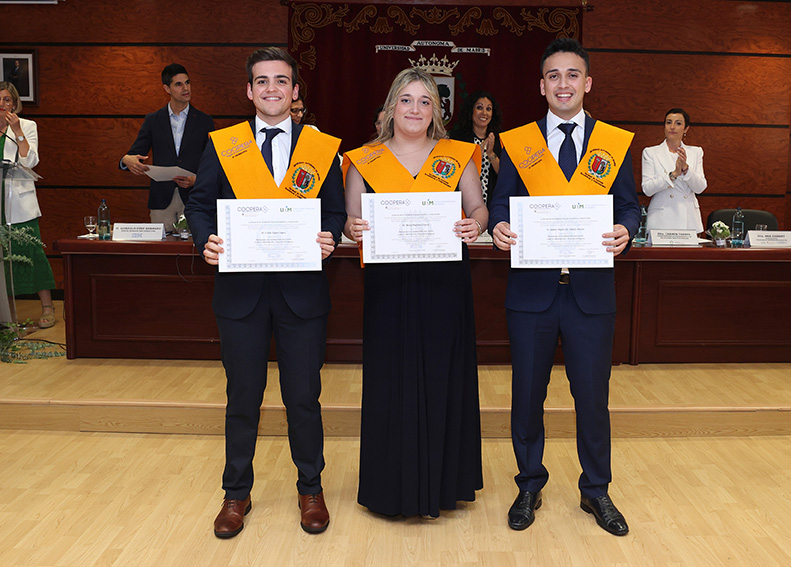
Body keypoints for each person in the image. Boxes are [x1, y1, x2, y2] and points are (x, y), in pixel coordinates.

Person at [184, 47, 346, 538]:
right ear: (249, 91)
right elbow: (199, 204)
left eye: (281, 81)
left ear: (295, 91)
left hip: (302, 294)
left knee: (304, 397)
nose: (271, 88)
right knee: (242, 398)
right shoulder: (224, 144)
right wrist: (205, 240)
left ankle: (310, 489)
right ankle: (236, 493)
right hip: (241, 294)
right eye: (262, 81)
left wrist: (330, 236)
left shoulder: (319, 147)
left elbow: (335, 211)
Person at [488, 38, 640, 535]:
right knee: (527, 395)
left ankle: (596, 490)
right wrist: (498, 225)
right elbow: (500, 202)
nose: (563, 84)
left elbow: (629, 205)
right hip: (531, 294)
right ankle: (529, 483)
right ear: (541, 85)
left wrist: (626, 229)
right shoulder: (519, 142)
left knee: (592, 397)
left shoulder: (612, 143)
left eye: (572, 74)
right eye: (553, 75)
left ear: (587, 82)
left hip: (590, 294)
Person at [343, 67, 487, 518]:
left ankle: (445, 484)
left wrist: (475, 225)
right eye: (406, 99)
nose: (415, 109)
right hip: (388, 286)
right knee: (391, 379)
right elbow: (350, 221)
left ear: (436, 111)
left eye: (425, 101)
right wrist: (352, 228)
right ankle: (391, 487)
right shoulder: (363, 159)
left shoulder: (457, 155)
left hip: (445, 284)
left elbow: (478, 208)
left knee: (444, 375)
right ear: (391, 107)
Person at [121, 63, 215, 228]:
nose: (185, 88)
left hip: (194, 198)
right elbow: (135, 154)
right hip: (161, 200)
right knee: (162, 244)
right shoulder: (153, 120)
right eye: (178, 84)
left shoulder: (204, 121)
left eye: (187, 82)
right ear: (167, 88)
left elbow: (212, 161)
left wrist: (197, 180)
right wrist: (126, 160)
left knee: (194, 243)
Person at [1, 82, 56, 328]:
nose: (2, 104)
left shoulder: (27, 125)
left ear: (14, 103)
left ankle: (47, 306)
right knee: (2, 260)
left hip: (19, 203)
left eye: (6, 100)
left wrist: (17, 131)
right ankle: (6, 314)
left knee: (32, 254)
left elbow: (30, 161)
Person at [641, 108, 707, 232]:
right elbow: (647, 189)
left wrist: (686, 169)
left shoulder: (695, 152)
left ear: (686, 129)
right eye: (668, 122)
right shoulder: (651, 152)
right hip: (661, 220)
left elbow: (700, 188)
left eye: (678, 123)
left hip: (689, 220)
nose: (672, 127)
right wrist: (673, 175)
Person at [450, 91, 502, 204]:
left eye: (488, 109)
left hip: (492, 203)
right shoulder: (458, 138)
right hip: (464, 203)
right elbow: (453, 173)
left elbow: (504, 175)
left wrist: (491, 154)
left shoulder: (498, 140)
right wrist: (476, 156)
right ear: (471, 110)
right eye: (479, 108)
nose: (484, 113)